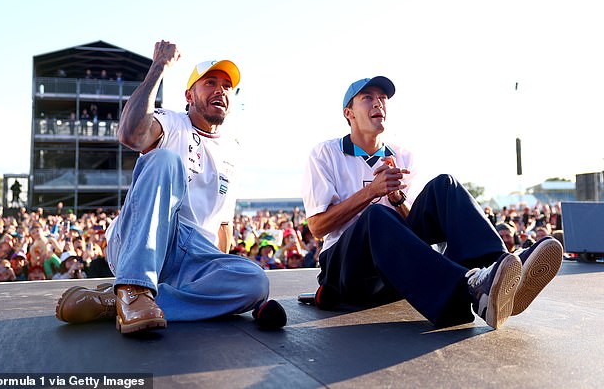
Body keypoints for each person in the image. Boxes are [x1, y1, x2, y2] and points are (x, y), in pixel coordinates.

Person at [55, 40, 286, 334]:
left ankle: (119, 301)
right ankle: (133, 286)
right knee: (165, 159)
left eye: (227, 86)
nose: (220, 90)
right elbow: (130, 135)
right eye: (210, 82)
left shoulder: (234, 150)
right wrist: (158, 67)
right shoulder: (172, 121)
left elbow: (222, 227)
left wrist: (214, 275)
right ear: (189, 95)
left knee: (255, 282)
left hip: (192, 255)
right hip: (146, 239)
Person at [299, 75, 564, 329]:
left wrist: (398, 198)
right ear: (349, 113)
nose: (378, 102)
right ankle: (466, 287)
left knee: (444, 184)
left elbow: (411, 223)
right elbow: (318, 227)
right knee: (376, 216)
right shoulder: (326, 153)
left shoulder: (403, 156)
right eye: (367, 98)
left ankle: (497, 273)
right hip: (345, 271)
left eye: (382, 97)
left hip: (393, 267)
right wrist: (371, 193)